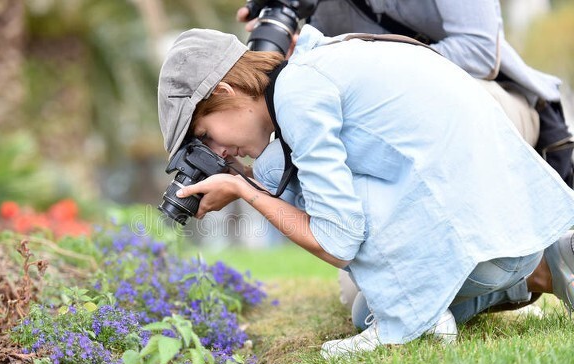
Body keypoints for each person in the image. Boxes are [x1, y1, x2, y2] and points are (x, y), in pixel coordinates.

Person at [157, 26, 574, 357]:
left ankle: (426, 322)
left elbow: (339, 241)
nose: (217, 152)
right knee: (366, 312)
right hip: (508, 223)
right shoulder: (316, 65)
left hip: (482, 236)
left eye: (205, 136)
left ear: (224, 93)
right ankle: (550, 263)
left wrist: (245, 190)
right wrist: (247, 180)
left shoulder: (298, 98)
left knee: (306, 199)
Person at [237, 0, 574, 314]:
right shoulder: (322, 6)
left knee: (404, 285)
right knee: (366, 299)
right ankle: (540, 268)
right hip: (397, 136)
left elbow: (480, 51)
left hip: (487, 98)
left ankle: (502, 249)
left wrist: (376, 67)